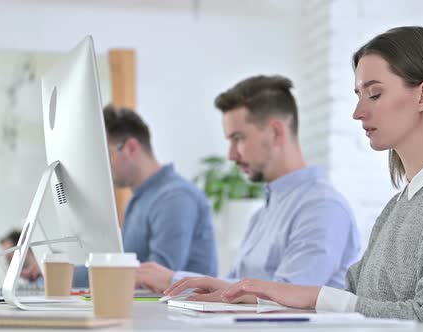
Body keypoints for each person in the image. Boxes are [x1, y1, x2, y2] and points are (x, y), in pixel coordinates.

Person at [164, 27, 423, 328]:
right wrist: (243, 294)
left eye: (375, 94)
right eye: (358, 95)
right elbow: (352, 294)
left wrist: (314, 296)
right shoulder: (400, 205)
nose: (358, 112)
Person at [136, 75, 360, 293]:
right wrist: (172, 281)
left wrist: (173, 279)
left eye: (238, 138)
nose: (231, 155)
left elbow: (287, 297)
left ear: (275, 132)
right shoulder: (261, 215)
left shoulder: (323, 208)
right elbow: (232, 287)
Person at [72, 105, 218, 287]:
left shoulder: (174, 198)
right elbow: (126, 267)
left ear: (131, 147)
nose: (100, 167)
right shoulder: (139, 199)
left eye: (105, 155)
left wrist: (67, 275)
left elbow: (155, 276)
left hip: (180, 313)